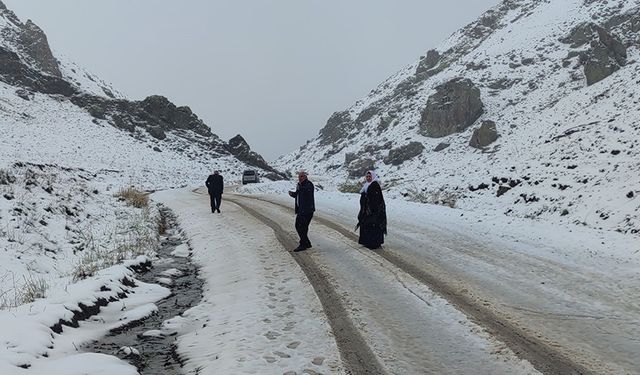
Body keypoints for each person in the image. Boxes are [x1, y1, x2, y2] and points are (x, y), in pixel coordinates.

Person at [357, 170, 387, 249]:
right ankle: (367, 242)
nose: (368, 178)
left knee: (373, 225)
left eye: (370, 176)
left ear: (373, 177)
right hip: (367, 211)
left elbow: (376, 199)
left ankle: (374, 243)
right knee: (367, 225)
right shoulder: (366, 185)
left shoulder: (375, 185)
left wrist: (372, 209)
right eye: (367, 176)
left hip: (374, 211)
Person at [288, 171, 315, 252]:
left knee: (302, 227)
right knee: (298, 226)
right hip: (300, 210)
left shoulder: (309, 184)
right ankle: (306, 243)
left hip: (307, 210)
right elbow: (298, 194)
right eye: (299, 176)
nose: (300, 178)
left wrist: (300, 187)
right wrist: (292, 194)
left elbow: (306, 191)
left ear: (306, 177)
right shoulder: (299, 184)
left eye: (302, 176)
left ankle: (303, 244)